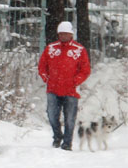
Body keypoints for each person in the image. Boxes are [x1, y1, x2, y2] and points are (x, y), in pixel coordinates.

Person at [37, 20, 91, 150]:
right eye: (61, 34)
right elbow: (42, 66)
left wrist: (76, 81)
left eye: (66, 34)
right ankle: (57, 136)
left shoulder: (79, 50)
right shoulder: (51, 48)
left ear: (71, 34)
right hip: (53, 88)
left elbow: (85, 69)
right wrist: (46, 78)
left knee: (70, 119)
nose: (63, 36)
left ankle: (67, 143)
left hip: (71, 90)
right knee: (51, 115)